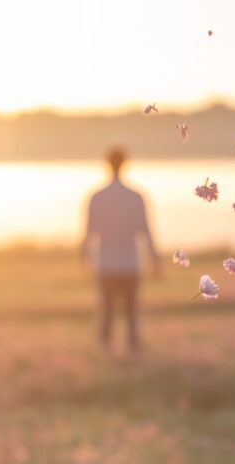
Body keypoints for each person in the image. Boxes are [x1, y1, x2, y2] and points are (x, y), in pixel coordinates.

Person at [80, 147, 162, 358]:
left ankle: (105, 352)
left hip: (105, 263)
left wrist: (84, 258)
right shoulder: (135, 196)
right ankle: (133, 352)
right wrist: (155, 260)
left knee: (106, 311)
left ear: (107, 164)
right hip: (130, 263)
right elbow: (145, 231)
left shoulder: (97, 197)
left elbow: (89, 232)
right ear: (124, 164)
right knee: (131, 312)